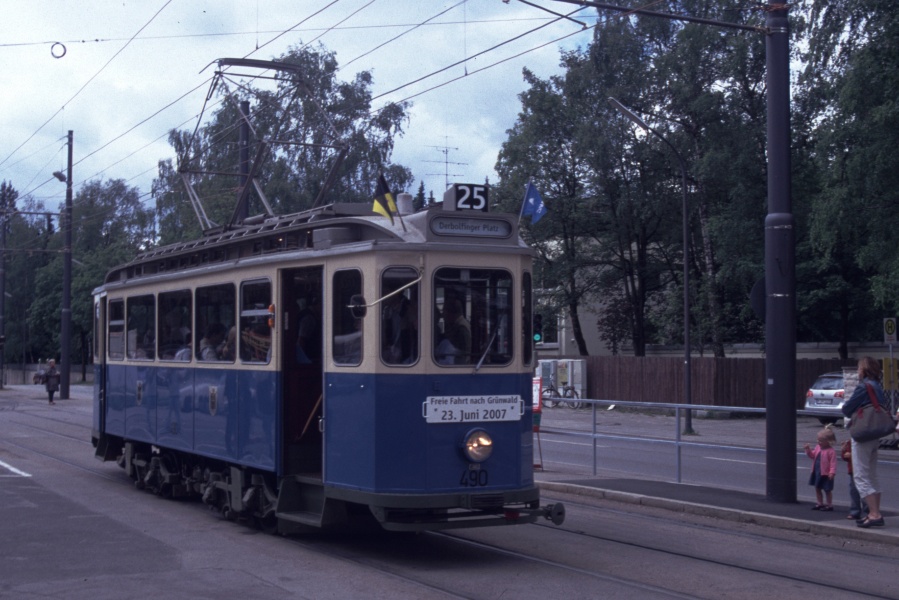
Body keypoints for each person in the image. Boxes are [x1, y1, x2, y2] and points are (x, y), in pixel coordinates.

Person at [841, 356, 887, 527]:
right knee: (872, 474)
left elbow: (847, 409)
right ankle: (875, 512)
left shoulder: (864, 386)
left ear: (864, 369)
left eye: (859, 368)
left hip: (862, 433)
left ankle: (874, 514)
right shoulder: (878, 386)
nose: (858, 371)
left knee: (860, 475)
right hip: (875, 434)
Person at [804, 425, 836, 511]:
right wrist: (808, 450)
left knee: (827, 489)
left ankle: (829, 505)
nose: (819, 442)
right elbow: (813, 455)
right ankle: (819, 503)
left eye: (821, 441)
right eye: (818, 440)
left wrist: (832, 472)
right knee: (817, 487)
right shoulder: (818, 447)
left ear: (829, 441)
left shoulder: (831, 451)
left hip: (826, 473)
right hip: (817, 471)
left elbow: (833, 463)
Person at [841, 437, 868, 521]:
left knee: (864, 492)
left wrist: (851, 455)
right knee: (854, 492)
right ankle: (855, 512)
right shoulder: (849, 441)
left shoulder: (863, 441)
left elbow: (863, 455)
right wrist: (843, 451)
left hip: (861, 470)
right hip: (852, 471)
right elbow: (845, 457)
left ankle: (868, 512)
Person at [437, 298, 471, 364]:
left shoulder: (462, 328)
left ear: (452, 312)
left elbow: (463, 353)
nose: (443, 315)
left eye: (444, 311)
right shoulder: (456, 325)